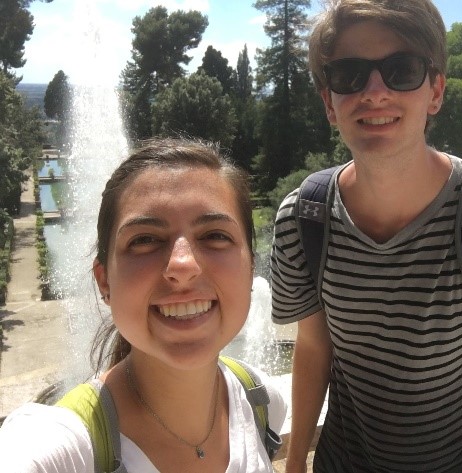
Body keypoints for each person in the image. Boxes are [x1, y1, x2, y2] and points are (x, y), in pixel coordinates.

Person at [270, 1, 462, 472]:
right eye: (349, 75)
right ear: (328, 101)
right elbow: (314, 348)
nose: (374, 92)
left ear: (436, 91)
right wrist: (294, 463)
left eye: (402, 70)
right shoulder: (304, 218)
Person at [0, 138, 286, 472]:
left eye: (215, 236)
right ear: (105, 281)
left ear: (251, 267)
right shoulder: (60, 447)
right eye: (145, 240)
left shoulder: (262, 401)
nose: (183, 266)